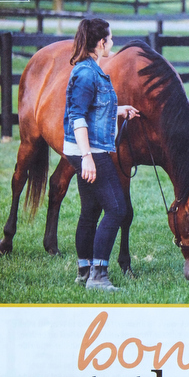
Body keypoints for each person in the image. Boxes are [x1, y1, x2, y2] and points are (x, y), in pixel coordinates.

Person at [63, 18, 140, 291]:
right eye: (110, 38)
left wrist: (119, 110)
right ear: (101, 42)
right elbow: (77, 115)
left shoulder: (91, 70)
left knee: (90, 210)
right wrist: (87, 157)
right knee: (117, 209)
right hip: (90, 150)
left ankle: (84, 270)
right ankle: (98, 276)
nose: (113, 43)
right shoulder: (86, 74)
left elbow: (94, 107)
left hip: (89, 148)